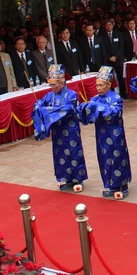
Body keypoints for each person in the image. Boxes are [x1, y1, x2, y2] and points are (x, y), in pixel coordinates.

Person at [78, 66, 131, 199]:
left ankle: (122, 185)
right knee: (104, 158)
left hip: (115, 134)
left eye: (102, 85)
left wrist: (98, 108)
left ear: (108, 84)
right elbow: (88, 115)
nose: (99, 88)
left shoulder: (116, 98)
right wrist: (85, 108)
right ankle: (111, 185)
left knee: (118, 158)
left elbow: (114, 113)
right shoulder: (95, 99)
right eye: (97, 85)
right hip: (101, 135)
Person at [31, 64, 87, 192]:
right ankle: (65, 178)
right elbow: (40, 103)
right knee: (59, 154)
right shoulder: (49, 96)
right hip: (58, 132)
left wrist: (47, 111)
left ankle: (78, 179)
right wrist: (39, 105)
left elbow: (66, 109)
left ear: (62, 83)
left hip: (71, 130)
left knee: (74, 152)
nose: (52, 87)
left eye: (54, 85)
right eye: (50, 85)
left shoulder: (71, 95)